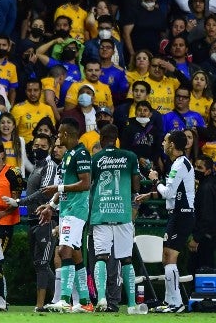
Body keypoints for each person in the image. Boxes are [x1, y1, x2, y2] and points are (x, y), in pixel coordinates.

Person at [136, 130, 195, 313]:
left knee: (169, 257)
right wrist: (151, 194)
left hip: (181, 214)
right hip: (178, 214)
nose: (162, 143)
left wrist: (155, 181)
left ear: (172, 145)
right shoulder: (178, 163)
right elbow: (175, 193)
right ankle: (170, 302)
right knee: (166, 258)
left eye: (165, 140)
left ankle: (176, 303)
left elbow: (168, 192)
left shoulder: (180, 164)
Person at [88, 124, 145, 314]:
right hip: (123, 213)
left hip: (101, 212)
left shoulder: (95, 158)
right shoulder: (130, 157)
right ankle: (130, 305)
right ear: (117, 138)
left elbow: (89, 184)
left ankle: (102, 299)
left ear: (102, 139)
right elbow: (136, 186)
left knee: (101, 257)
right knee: (127, 260)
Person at [40, 118, 94, 313]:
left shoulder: (81, 154)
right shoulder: (69, 155)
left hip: (76, 210)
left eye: (60, 133)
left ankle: (64, 299)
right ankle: (86, 302)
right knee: (76, 253)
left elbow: (85, 183)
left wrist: (58, 187)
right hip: (65, 209)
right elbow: (64, 185)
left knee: (64, 251)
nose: (58, 137)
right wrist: (51, 205)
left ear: (67, 134)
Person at [1, 133, 58, 312]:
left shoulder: (49, 166)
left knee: (42, 263)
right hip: (34, 219)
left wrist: (19, 202)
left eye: (42, 147)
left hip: (46, 219)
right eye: (35, 146)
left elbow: (45, 192)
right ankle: (60, 298)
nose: (38, 149)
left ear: (49, 148)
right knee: (38, 264)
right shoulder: (36, 167)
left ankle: (40, 306)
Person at [187, 154, 216, 277]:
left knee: (198, 273)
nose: (196, 170)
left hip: (205, 237)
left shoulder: (206, 188)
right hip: (211, 235)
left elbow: (206, 216)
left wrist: (196, 239)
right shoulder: (214, 182)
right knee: (206, 271)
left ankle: (199, 296)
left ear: (208, 171)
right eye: (195, 166)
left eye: (200, 168)